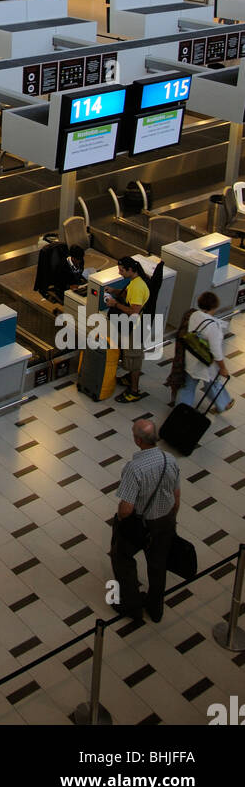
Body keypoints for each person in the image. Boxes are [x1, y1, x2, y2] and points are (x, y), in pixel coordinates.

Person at [110, 418, 180, 623]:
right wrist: (171, 521)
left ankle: (131, 606)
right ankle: (156, 608)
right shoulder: (170, 460)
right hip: (165, 520)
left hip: (141, 524)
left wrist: (121, 521)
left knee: (122, 558)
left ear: (138, 440)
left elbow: (126, 509)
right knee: (158, 564)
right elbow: (176, 497)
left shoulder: (134, 468)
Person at [175, 290, 234, 414]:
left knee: (187, 386)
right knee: (212, 383)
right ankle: (223, 403)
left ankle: (180, 412)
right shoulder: (213, 327)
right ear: (215, 306)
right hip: (206, 362)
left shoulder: (194, 315)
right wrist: (223, 368)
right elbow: (216, 352)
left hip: (192, 357)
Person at [107, 256, 151, 403]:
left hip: (136, 329)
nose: (120, 273)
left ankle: (134, 391)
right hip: (133, 327)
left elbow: (134, 311)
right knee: (130, 356)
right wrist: (114, 290)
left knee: (134, 359)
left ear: (131, 270)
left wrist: (115, 304)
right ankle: (129, 378)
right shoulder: (135, 282)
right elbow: (128, 295)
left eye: (121, 270)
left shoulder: (138, 286)